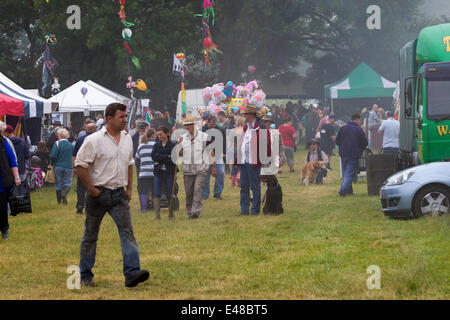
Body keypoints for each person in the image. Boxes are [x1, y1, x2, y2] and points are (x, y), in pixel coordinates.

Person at [75, 103, 149, 288]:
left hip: (119, 194)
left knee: (127, 234)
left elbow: (130, 164)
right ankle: (85, 274)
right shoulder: (94, 140)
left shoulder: (126, 138)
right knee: (90, 235)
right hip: (98, 195)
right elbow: (80, 165)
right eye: (121, 117)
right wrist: (92, 190)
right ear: (109, 118)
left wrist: (129, 189)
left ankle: (132, 273)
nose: (125, 120)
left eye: (125, 116)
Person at [236, 105, 271, 216]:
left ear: (250, 115)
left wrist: (264, 158)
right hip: (244, 161)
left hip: (254, 161)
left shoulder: (260, 127)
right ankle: (244, 209)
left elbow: (267, 143)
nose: (244, 116)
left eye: (245, 114)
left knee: (255, 186)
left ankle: (255, 209)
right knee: (244, 186)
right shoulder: (247, 127)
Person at [178, 115, 209, 219]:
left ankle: (196, 212)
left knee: (197, 190)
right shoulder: (182, 138)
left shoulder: (204, 136)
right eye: (186, 125)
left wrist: (213, 165)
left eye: (189, 125)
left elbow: (210, 152)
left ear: (194, 125)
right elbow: (180, 154)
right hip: (188, 169)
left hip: (201, 168)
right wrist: (178, 147)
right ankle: (189, 211)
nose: (187, 127)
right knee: (189, 192)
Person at [335, 113, 368, 197]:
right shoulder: (359, 129)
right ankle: (342, 191)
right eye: (360, 120)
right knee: (349, 174)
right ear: (357, 120)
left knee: (345, 173)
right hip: (353, 154)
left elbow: (337, 141)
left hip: (343, 154)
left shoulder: (343, 128)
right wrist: (360, 149)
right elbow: (365, 143)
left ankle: (349, 191)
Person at [0, 123, 21, 240]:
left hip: (2, 180)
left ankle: (4, 229)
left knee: (2, 207)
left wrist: (16, 176)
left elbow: (13, 161)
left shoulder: (5, 143)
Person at [151, 126, 177, 221]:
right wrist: (167, 156)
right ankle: (157, 215)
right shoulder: (156, 145)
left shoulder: (172, 145)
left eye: (161, 134)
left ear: (166, 134)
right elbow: (153, 156)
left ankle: (171, 214)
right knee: (156, 192)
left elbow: (173, 159)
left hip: (169, 172)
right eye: (158, 135)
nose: (159, 136)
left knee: (169, 192)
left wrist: (160, 157)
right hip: (158, 172)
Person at [72, 123, 97, 214]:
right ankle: (90, 207)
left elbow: (74, 155)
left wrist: (74, 167)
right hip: (94, 167)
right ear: (95, 130)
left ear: (86, 129)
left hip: (81, 166)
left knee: (81, 187)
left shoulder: (80, 139)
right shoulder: (98, 139)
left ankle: (80, 205)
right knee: (92, 187)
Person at [202, 115, 226, 200]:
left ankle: (217, 193)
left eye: (214, 124)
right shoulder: (202, 130)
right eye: (211, 124)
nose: (213, 126)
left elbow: (223, 142)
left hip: (217, 154)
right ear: (207, 122)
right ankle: (204, 194)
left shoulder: (219, 129)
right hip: (205, 154)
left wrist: (223, 152)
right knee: (205, 175)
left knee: (221, 172)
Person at [50, 128, 74, 205]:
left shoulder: (57, 144)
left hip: (58, 166)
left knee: (58, 183)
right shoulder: (71, 145)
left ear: (59, 136)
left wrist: (52, 163)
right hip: (68, 166)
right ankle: (64, 194)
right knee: (67, 182)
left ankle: (59, 201)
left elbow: (53, 156)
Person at [135, 128, 156, 213]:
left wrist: (141, 168)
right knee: (155, 191)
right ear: (152, 135)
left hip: (143, 173)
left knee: (143, 191)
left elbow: (137, 160)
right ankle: (155, 207)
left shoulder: (140, 146)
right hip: (154, 173)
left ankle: (143, 209)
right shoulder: (156, 145)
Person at [260, 114, 286, 179]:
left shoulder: (276, 133)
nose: (264, 123)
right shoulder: (258, 132)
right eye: (263, 121)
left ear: (270, 123)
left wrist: (282, 157)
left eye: (266, 121)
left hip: (273, 157)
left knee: (272, 178)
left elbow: (281, 146)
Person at [228, 117, 245, 188]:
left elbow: (229, 141)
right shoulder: (245, 130)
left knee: (234, 167)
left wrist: (229, 149)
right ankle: (239, 176)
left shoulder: (233, 130)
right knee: (241, 166)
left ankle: (233, 181)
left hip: (233, 150)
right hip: (241, 150)